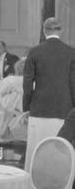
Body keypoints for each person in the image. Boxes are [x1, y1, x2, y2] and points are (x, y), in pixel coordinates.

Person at [23, 18, 75, 169]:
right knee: (60, 152)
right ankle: (59, 187)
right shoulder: (71, 53)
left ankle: (34, 188)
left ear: (44, 31)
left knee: (36, 151)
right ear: (61, 31)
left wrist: (27, 107)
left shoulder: (34, 52)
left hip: (39, 109)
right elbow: (73, 84)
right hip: (64, 110)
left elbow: (27, 84)